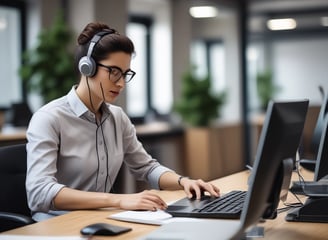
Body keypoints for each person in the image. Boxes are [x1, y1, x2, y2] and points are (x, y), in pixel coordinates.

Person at [25, 22, 220, 221]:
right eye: (114, 72)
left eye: (125, 74)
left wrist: (183, 182)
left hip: (99, 220)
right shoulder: (49, 118)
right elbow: (39, 192)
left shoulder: (117, 117)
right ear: (87, 67)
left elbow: (146, 167)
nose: (121, 83)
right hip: (56, 225)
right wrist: (118, 200)